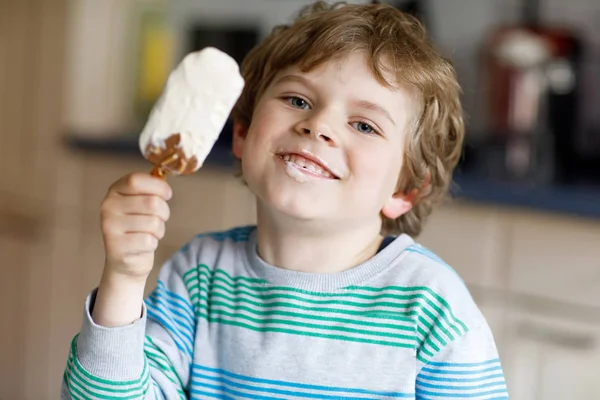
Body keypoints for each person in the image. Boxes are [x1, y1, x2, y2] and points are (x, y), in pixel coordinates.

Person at [62, 1, 509, 399]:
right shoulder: (199, 276)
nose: (318, 125)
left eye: (365, 125)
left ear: (406, 189)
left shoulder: (432, 307)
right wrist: (122, 277)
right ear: (241, 131)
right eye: (297, 99)